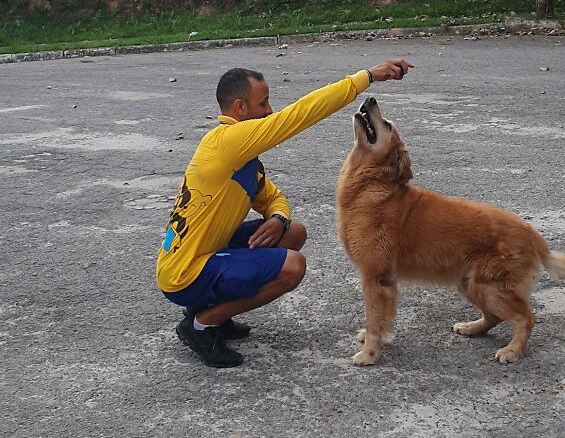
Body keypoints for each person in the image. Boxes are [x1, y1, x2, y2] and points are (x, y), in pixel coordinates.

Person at [156, 57, 413, 367]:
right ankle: (200, 324)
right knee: (293, 267)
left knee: (293, 232)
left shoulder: (241, 157)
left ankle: (215, 307)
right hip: (183, 273)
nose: (270, 111)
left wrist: (278, 219)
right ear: (240, 108)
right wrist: (367, 77)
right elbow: (299, 114)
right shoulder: (228, 142)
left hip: (205, 254)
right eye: (263, 103)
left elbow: (273, 197)